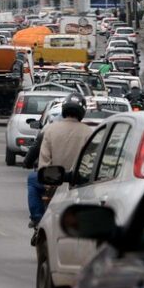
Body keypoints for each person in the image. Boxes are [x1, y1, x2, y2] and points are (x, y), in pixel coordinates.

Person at [26, 93, 93, 228]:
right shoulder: (89, 132)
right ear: (82, 112)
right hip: (77, 181)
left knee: (32, 179)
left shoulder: (50, 129)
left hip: (53, 179)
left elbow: (44, 161)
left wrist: (48, 182)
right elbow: (90, 161)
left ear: (64, 109)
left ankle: (37, 218)